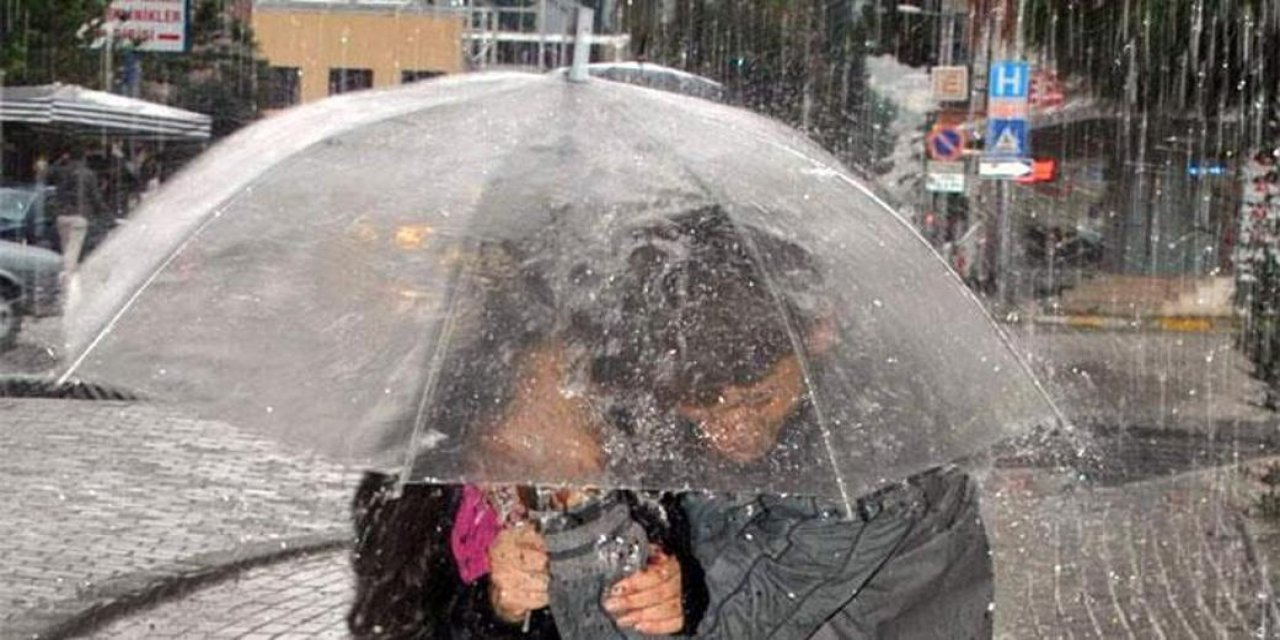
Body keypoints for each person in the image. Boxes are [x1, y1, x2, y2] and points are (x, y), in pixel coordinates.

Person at [578, 207, 994, 639]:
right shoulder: (652, 402)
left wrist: (679, 596)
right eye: (704, 406)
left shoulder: (873, 463)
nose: (736, 428)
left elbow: (739, 621)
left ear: (818, 334)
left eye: (760, 398)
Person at [47, 147, 107, 276]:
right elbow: (95, 197)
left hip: (62, 216)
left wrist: (60, 160)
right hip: (79, 216)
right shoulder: (89, 174)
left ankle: (63, 274)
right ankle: (67, 278)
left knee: (66, 249)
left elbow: (46, 173)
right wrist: (104, 212)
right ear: (84, 157)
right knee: (73, 251)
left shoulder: (61, 172)